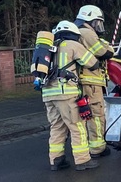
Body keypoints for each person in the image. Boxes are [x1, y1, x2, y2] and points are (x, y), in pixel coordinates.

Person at [43, 21, 100, 171]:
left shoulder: (48, 48)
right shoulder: (72, 45)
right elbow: (93, 63)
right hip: (66, 93)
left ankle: (56, 160)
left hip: (48, 94)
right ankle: (83, 160)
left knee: (57, 127)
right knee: (77, 126)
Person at [74, 5, 115, 159]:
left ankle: (84, 147)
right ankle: (98, 148)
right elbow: (105, 52)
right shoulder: (87, 33)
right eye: (98, 22)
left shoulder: (76, 32)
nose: (99, 26)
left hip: (79, 82)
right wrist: (108, 47)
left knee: (82, 115)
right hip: (91, 82)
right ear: (90, 20)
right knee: (96, 114)